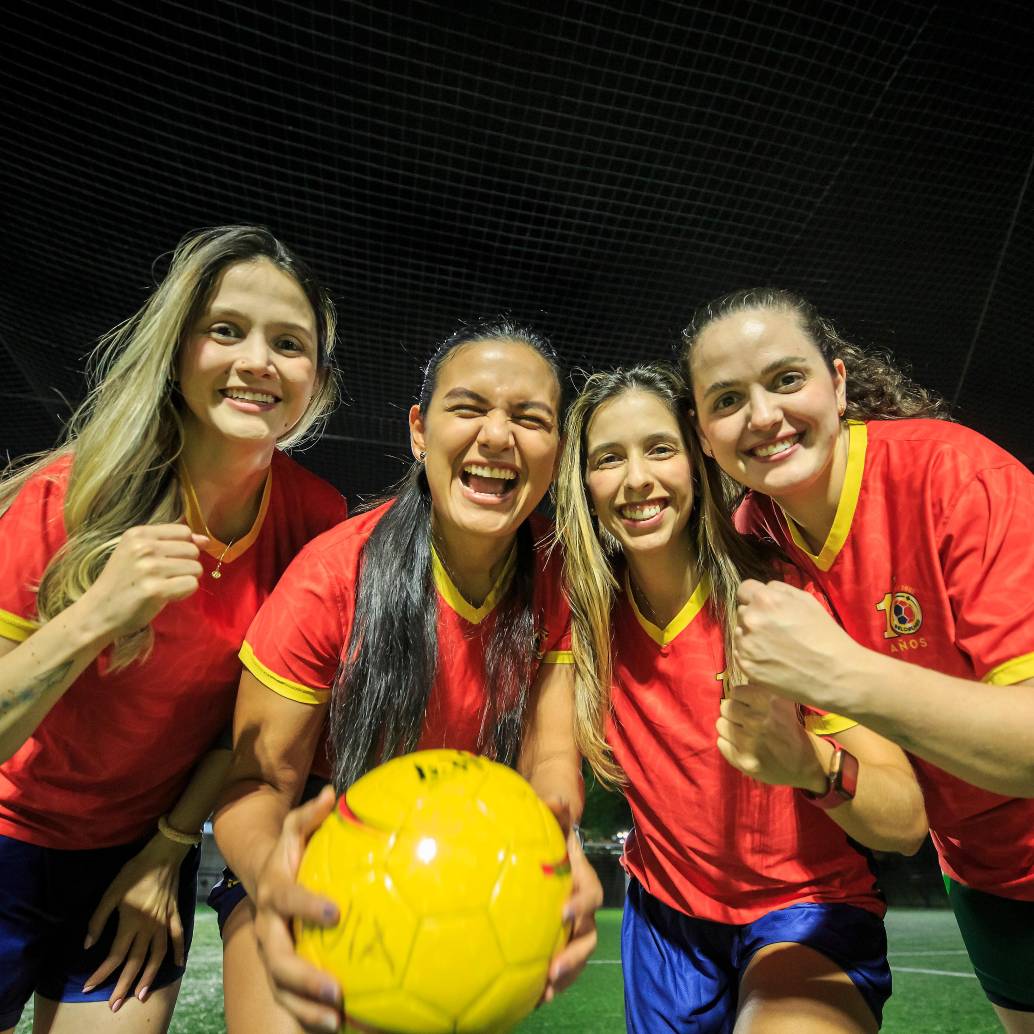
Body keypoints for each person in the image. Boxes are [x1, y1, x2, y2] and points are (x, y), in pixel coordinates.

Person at [0, 225, 348, 1034]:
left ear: (317, 383)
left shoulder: (315, 521)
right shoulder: (68, 497)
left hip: (138, 854)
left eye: (288, 343)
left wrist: (164, 854)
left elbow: (255, 732)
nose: (258, 360)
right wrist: (95, 614)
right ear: (179, 349)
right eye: (226, 330)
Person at [212, 320, 602, 1034]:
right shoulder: (333, 578)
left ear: (557, 452)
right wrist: (274, 877)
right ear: (420, 431)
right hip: (311, 853)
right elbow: (258, 783)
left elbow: (550, 758)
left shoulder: (559, 577)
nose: (496, 436)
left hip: (464, 863)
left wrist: (557, 845)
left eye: (529, 418)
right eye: (469, 408)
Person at [684, 287, 1034, 1033]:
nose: (764, 417)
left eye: (786, 380)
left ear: (837, 384)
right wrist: (813, 764)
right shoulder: (756, 550)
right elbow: (901, 818)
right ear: (703, 433)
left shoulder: (955, 475)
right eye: (727, 400)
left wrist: (841, 671)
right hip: (984, 875)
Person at [554, 363, 927, 1033]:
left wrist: (811, 762)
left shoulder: (777, 598)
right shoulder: (583, 615)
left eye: (659, 449)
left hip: (806, 909)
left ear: (698, 462)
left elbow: (903, 822)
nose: (636, 478)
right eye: (609, 458)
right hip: (667, 923)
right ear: (584, 483)